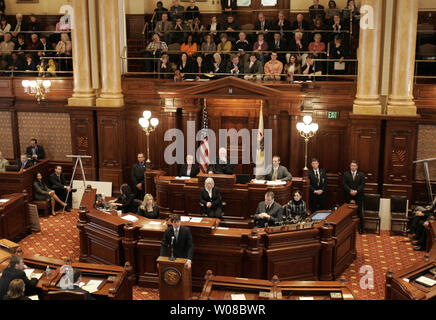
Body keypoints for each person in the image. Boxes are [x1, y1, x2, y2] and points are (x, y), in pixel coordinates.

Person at [343, 160, 365, 234]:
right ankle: (346, 229)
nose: (353, 167)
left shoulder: (361, 174)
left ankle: (360, 229)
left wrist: (356, 191)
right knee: (347, 213)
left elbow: (362, 185)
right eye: (351, 165)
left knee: (359, 213)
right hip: (348, 196)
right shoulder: (346, 174)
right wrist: (350, 191)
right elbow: (344, 184)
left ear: (357, 167)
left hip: (358, 196)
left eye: (354, 165)